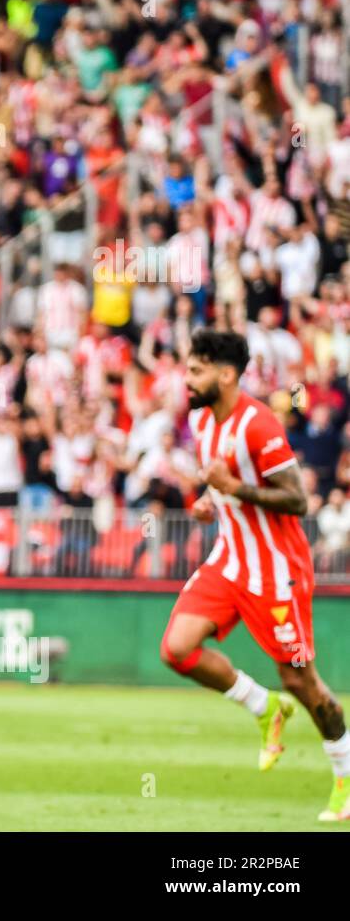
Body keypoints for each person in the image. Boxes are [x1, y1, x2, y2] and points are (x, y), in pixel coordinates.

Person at [161, 330, 348, 822]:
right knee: (177, 649)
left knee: (301, 680)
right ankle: (265, 707)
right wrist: (212, 502)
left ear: (225, 375)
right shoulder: (202, 421)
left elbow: (296, 500)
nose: (187, 379)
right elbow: (228, 492)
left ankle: (346, 778)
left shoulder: (258, 424)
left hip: (277, 571)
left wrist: (234, 488)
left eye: (196, 370)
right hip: (230, 560)